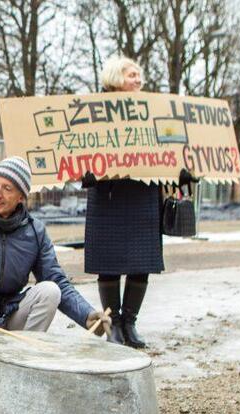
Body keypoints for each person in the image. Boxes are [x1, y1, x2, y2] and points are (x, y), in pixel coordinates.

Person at [0, 157, 110, 373]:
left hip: (8, 315)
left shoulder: (34, 231)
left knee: (50, 290)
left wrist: (87, 315)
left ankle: (23, 364)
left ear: (21, 196)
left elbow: (56, 279)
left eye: (7, 188)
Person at [83, 56, 162, 349]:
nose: (138, 80)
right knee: (110, 262)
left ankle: (130, 322)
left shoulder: (151, 110)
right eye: (132, 75)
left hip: (143, 191)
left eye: (139, 75)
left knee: (142, 262)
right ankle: (113, 322)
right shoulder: (95, 111)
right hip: (109, 194)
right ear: (116, 78)